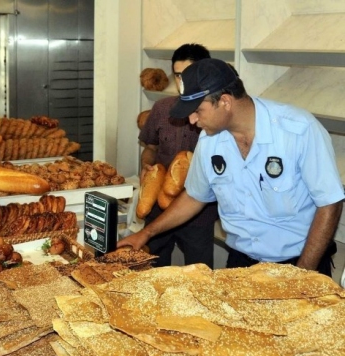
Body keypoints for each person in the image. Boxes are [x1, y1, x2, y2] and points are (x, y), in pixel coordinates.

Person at [120, 58, 344, 276]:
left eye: (197, 110)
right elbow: (195, 197)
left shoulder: (298, 130)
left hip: (299, 262)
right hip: (241, 264)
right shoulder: (209, 141)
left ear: (225, 102)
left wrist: (302, 274)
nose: (191, 120)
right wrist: (147, 233)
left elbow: (330, 203)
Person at [139, 43, 219, 268]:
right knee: (151, 271)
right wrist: (146, 165)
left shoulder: (217, 115)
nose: (182, 83)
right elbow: (150, 148)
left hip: (199, 214)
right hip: (159, 206)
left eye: (189, 75)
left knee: (198, 275)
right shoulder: (162, 109)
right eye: (177, 76)